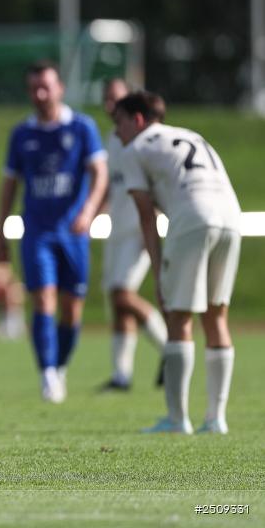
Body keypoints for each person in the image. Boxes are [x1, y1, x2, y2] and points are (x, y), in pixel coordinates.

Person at [114, 91, 240, 434]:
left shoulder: (134, 148)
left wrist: (158, 272)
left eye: (119, 122)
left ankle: (176, 418)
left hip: (193, 218)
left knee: (178, 316)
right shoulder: (190, 135)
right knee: (216, 316)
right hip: (231, 217)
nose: (116, 132)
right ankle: (216, 419)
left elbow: (146, 216)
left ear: (138, 120)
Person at [0, 61, 108, 403]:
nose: (40, 94)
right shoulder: (22, 134)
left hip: (74, 232)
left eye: (46, 87)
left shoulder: (83, 127)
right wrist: (0, 229)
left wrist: (89, 211)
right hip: (37, 232)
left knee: (73, 307)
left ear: (60, 88)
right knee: (43, 298)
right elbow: (10, 184)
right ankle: (47, 374)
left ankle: (59, 366)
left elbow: (99, 173)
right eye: (34, 88)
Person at [99, 79, 168, 391]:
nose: (111, 103)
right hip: (117, 230)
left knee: (122, 294)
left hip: (139, 230)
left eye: (117, 98)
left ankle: (170, 348)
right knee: (117, 303)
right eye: (107, 98)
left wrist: (151, 225)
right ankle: (121, 374)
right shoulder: (112, 138)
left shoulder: (144, 139)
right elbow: (111, 184)